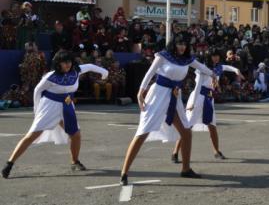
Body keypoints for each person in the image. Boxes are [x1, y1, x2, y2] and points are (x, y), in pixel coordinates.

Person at [119, 34, 214, 186]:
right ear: (174, 44)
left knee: (186, 132)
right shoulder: (163, 56)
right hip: (158, 95)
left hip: (174, 96)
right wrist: (140, 92)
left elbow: (203, 68)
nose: (182, 47)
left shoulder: (187, 59)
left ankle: (186, 169)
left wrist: (214, 75)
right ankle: (124, 172)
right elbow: (150, 73)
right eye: (179, 43)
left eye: (184, 44)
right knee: (143, 132)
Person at [2, 51, 108, 179]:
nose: (67, 64)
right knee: (32, 135)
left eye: (69, 61)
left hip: (67, 105)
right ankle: (9, 164)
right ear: (58, 63)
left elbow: (90, 66)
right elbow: (37, 90)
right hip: (50, 107)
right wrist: (37, 111)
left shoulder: (76, 70)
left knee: (76, 135)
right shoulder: (50, 76)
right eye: (64, 62)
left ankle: (75, 161)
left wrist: (104, 72)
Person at [171, 50, 244, 163]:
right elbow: (198, 86)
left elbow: (226, 67)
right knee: (187, 126)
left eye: (217, 55)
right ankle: (175, 153)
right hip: (198, 97)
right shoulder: (203, 68)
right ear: (209, 57)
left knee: (212, 126)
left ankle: (216, 151)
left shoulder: (218, 67)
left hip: (209, 98)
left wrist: (236, 70)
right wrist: (192, 103)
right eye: (213, 56)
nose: (216, 58)